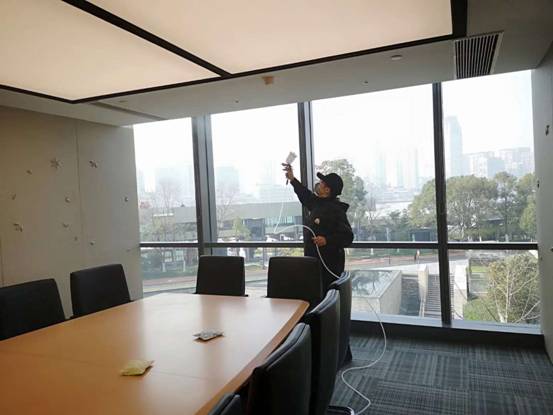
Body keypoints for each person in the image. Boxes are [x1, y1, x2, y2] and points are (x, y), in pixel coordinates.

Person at [282, 163, 354, 292]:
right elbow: (305, 194)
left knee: (327, 297)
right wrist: (292, 179)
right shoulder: (317, 203)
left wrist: (327, 240)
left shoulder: (336, 210)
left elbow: (348, 236)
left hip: (328, 266)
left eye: (321, 183)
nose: (318, 184)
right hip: (313, 263)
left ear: (327, 190)